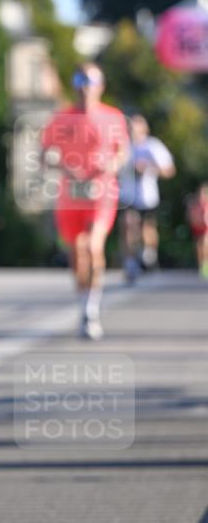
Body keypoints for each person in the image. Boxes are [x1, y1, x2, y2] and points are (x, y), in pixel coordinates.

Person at [41, 63, 129, 340]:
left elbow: (123, 152)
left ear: (100, 86)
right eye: (80, 81)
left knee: (93, 246)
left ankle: (92, 309)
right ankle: (83, 304)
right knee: (77, 253)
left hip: (101, 192)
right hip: (70, 195)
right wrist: (64, 166)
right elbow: (45, 153)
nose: (85, 88)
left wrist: (109, 165)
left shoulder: (113, 117)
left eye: (90, 82)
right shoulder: (61, 118)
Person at [118, 114, 175, 282]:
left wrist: (148, 167)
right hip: (127, 195)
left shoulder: (153, 146)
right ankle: (130, 263)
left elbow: (169, 170)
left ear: (145, 128)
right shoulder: (124, 146)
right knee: (128, 225)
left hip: (147, 196)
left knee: (146, 228)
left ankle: (148, 254)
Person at [187, 183, 208, 279]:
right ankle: (201, 265)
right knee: (199, 247)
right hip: (197, 228)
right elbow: (190, 217)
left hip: (206, 228)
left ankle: (206, 264)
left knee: (205, 245)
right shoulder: (194, 205)